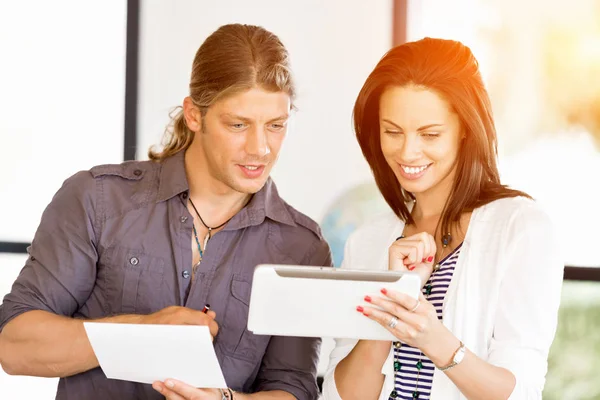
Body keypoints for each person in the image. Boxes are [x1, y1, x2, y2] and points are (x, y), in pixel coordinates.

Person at [0, 23, 331, 400]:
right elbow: (14, 346)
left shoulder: (302, 246)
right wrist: (140, 333)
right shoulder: (96, 200)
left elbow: (294, 388)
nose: (260, 149)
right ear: (194, 115)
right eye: (238, 125)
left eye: (276, 126)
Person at [321, 37, 563, 400]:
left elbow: (521, 391)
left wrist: (434, 340)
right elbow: (343, 396)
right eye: (392, 131)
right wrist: (392, 304)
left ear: (465, 127)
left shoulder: (521, 228)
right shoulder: (368, 241)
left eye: (429, 134)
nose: (407, 151)